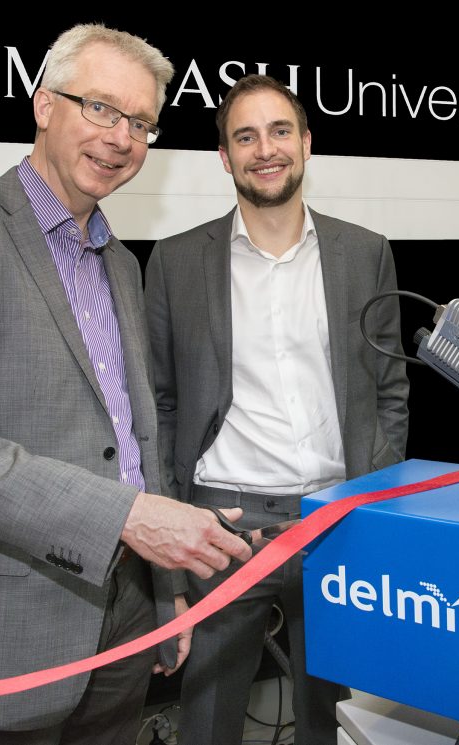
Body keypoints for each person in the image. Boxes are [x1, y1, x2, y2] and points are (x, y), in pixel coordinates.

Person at [0, 23, 252, 744]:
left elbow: (134, 441)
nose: (122, 137)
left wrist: (167, 590)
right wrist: (128, 519)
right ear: (44, 104)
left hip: (121, 633)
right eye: (101, 108)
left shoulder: (119, 262)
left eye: (141, 122)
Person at [145, 74, 410, 745]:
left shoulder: (364, 252)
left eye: (280, 131)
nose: (266, 149)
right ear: (225, 158)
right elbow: (161, 408)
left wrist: (373, 499)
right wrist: (170, 562)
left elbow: (389, 390)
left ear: (307, 143)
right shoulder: (175, 262)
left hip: (334, 518)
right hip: (223, 528)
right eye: (246, 136)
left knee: (337, 717)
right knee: (207, 721)